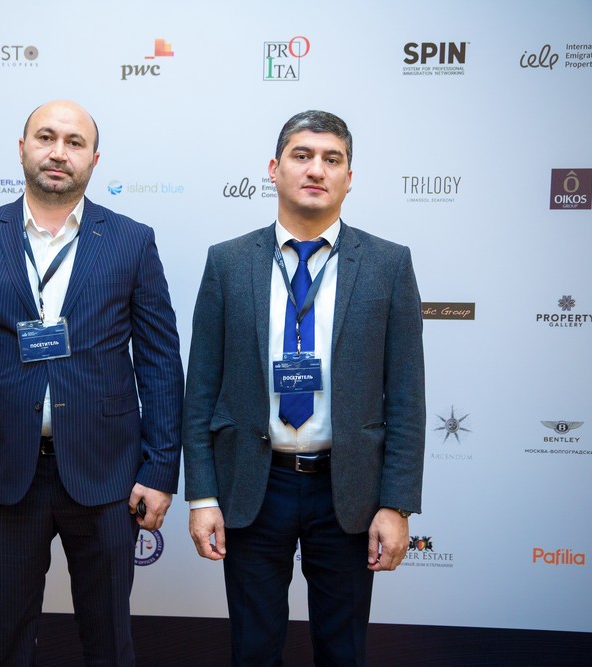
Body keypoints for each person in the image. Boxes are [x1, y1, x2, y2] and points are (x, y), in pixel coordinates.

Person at [0, 99, 184, 666]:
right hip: (3, 475)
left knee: (109, 642)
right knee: (8, 643)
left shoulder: (132, 241)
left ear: (95, 159)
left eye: (74, 142)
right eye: (46, 137)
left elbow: (161, 364)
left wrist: (159, 470)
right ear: (23, 149)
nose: (58, 152)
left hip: (107, 475)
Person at [181, 110, 425, 666]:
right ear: (274, 169)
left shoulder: (388, 265)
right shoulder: (228, 262)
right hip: (253, 485)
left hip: (348, 491)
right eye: (302, 155)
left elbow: (407, 398)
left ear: (349, 177)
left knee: (342, 652)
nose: (316, 169)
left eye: (332, 159)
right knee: (253, 650)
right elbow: (201, 391)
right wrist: (202, 495)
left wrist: (396, 505)